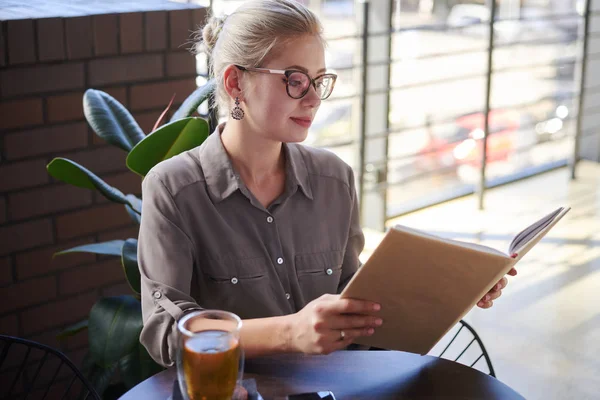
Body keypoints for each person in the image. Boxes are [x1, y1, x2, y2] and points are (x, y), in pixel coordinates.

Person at [138, 0, 516, 368]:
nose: (315, 99)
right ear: (236, 82)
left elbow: (355, 300)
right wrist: (289, 332)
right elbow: (167, 332)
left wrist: (454, 286)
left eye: (320, 81)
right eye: (296, 80)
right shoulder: (173, 189)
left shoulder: (334, 178)